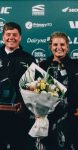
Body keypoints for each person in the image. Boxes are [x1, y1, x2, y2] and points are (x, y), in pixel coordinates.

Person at [39, 31, 78, 150]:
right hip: (47, 117)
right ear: (50, 46)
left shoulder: (75, 65)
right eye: (55, 45)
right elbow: (36, 92)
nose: (59, 48)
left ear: (67, 46)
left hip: (69, 117)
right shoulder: (43, 65)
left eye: (62, 44)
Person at [0, 22, 35, 150]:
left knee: (19, 145)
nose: (11, 37)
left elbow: (33, 87)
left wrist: (24, 103)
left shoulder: (28, 58)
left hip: (18, 115)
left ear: (20, 37)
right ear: (3, 37)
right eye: (8, 34)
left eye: (15, 35)